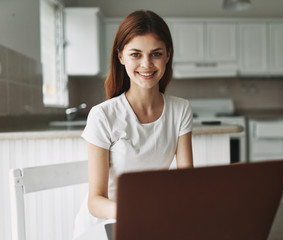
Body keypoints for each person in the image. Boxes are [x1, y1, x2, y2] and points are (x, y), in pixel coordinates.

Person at [72, 10, 193, 238]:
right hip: (103, 227)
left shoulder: (180, 109)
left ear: (168, 55)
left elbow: (186, 183)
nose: (146, 64)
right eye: (135, 54)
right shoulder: (102, 116)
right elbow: (95, 201)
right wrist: (140, 211)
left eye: (156, 53)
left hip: (149, 222)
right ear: (121, 56)